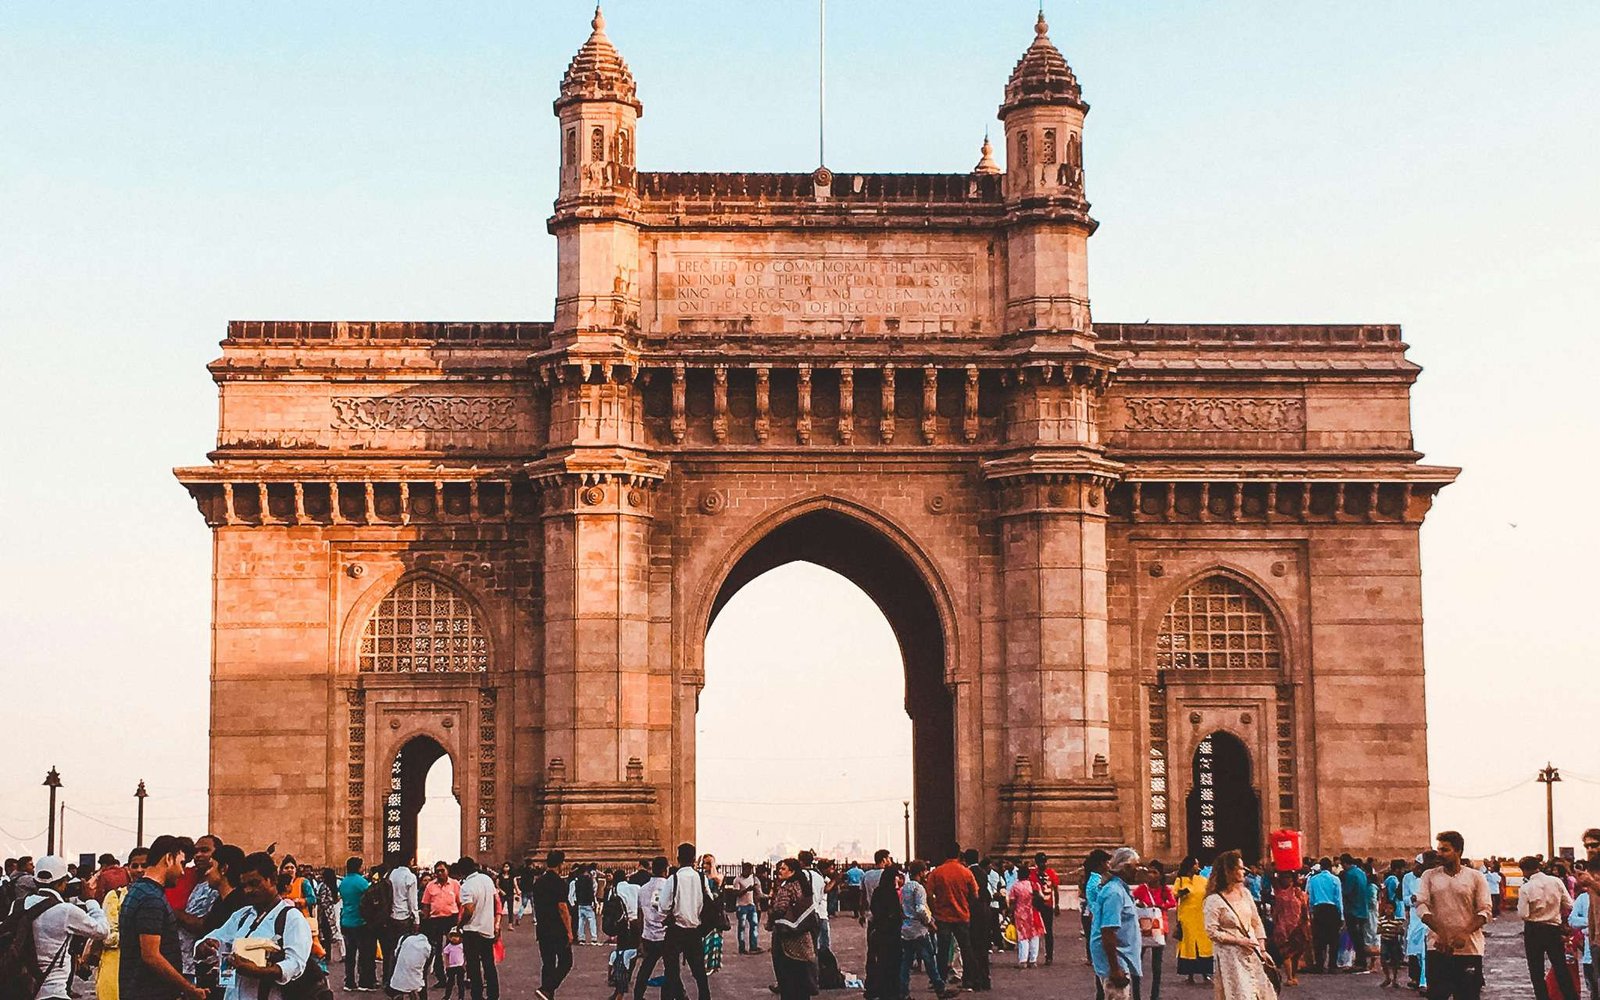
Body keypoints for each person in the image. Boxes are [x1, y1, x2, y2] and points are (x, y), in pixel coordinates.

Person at [194, 851, 311, 1000]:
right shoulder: (242, 916)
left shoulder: (291, 918)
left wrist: (259, 971)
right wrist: (205, 946)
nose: (248, 890)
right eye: (244, 886)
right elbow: (217, 937)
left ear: (272, 879)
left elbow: (295, 964)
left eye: (254, 884)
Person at [122, 835, 205, 1000]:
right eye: (181, 863)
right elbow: (151, 956)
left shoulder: (139, 891)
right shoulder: (151, 898)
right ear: (168, 858)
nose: (182, 872)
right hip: (150, 993)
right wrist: (188, 988)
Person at [1416, 830, 1491, 1000]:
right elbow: (1421, 906)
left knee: (1468, 996)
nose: (1440, 854)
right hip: (1438, 947)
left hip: (1469, 948)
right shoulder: (1429, 876)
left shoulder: (1475, 877)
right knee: (1436, 994)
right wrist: (1440, 931)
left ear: (1458, 852)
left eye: (1445, 850)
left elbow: (1484, 910)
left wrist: (1464, 933)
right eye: (1439, 849)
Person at [25, 854, 110, 1000]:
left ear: (35, 880)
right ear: (63, 883)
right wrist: (90, 901)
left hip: (24, 988)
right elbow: (102, 931)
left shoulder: (19, 904)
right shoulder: (66, 911)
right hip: (54, 993)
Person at [1203, 850, 1277, 1000]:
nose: (1244, 871)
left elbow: (1256, 922)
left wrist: (1262, 949)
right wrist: (1238, 941)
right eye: (1240, 868)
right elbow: (1211, 931)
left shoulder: (1245, 894)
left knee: (1260, 994)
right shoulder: (1213, 900)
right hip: (1230, 957)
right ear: (1229, 871)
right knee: (1241, 994)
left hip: (1252, 952)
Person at [1518, 855, 1579, 1000]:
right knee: (1560, 967)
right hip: (1553, 928)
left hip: (1534, 929)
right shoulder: (1556, 881)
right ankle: (1571, 996)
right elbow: (1569, 904)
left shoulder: (1526, 887)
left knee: (1536, 969)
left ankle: (1542, 997)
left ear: (1524, 871)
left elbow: (1523, 913)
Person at [926, 844, 985, 990]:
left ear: (945, 855)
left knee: (943, 951)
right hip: (962, 916)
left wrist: (934, 910)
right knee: (966, 949)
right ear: (958, 854)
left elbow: (928, 894)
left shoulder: (937, 872)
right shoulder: (966, 872)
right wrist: (965, 905)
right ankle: (969, 981)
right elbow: (975, 894)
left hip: (943, 916)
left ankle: (939, 981)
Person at [658, 842, 711, 1000]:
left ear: (678, 858)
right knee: (699, 973)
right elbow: (708, 900)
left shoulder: (673, 879)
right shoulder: (701, 878)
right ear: (694, 859)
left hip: (676, 930)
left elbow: (663, 906)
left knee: (671, 970)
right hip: (695, 930)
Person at [1090, 848, 1144, 1000]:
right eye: (1136, 866)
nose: (1138, 870)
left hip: (1121, 958)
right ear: (1126, 867)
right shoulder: (1115, 893)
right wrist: (1115, 969)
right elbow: (1107, 931)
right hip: (1116, 961)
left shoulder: (1119, 890)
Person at [98, 848, 149, 1000]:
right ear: (128, 868)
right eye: (135, 866)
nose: (139, 870)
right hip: (115, 965)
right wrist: (141, 938)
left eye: (144, 865)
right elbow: (107, 935)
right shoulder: (115, 896)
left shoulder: (159, 896)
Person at [900, 861, 954, 997]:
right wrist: (930, 923)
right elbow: (920, 909)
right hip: (919, 929)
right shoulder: (919, 888)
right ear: (921, 872)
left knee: (906, 963)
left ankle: (903, 992)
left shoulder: (905, 887)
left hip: (906, 928)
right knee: (929, 960)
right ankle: (940, 988)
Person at [767, 858, 818, 1000]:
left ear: (792, 871)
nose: (780, 871)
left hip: (787, 936)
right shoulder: (803, 885)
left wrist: (771, 912)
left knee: (788, 977)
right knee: (801, 975)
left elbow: (780, 908)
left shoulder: (787, 887)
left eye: (783, 869)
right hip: (803, 935)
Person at [452, 858, 499, 1000]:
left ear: (461, 871)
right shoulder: (487, 879)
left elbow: (469, 910)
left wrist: (459, 925)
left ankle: (477, 996)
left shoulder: (467, 886)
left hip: (472, 931)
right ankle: (493, 994)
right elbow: (494, 902)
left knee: (473, 967)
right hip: (487, 928)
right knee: (489, 964)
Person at [1132, 860, 1176, 1000]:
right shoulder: (1141, 889)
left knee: (1157, 966)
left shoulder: (1165, 890)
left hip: (1160, 928)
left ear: (1160, 875)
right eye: (1149, 872)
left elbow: (1172, 902)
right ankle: (1136, 995)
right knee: (1137, 962)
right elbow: (1131, 899)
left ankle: (1154, 995)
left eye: (1154, 872)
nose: (1150, 875)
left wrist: (1160, 905)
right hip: (1143, 928)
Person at [633, 857, 672, 1000]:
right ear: (665, 869)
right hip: (666, 935)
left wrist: (640, 939)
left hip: (649, 934)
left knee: (646, 967)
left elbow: (640, 915)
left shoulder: (643, 889)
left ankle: (638, 995)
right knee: (670, 969)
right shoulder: (670, 887)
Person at [863, 864, 903, 1000]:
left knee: (879, 962)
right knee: (892, 964)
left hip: (879, 931)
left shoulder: (878, 891)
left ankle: (877, 990)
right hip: (891, 933)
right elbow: (895, 913)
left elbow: (874, 909)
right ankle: (891, 992)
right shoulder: (891, 893)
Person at [1173, 855, 1214, 983]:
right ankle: (1189, 975)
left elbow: (1209, 893)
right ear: (1190, 866)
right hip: (1187, 917)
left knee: (1203, 945)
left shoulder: (1202, 880)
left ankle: (1205, 974)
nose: (1198, 866)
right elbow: (1175, 894)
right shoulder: (1180, 880)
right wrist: (1182, 892)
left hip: (1201, 916)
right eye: (1196, 864)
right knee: (1189, 946)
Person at [422, 862, 462, 985]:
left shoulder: (455, 884)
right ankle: (441, 977)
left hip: (451, 919)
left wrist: (460, 921)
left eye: (442, 870)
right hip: (435, 920)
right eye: (437, 871)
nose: (440, 873)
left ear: (447, 871)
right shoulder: (430, 886)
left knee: (454, 948)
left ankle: (453, 974)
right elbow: (426, 905)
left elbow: (460, 903)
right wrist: (425, 920)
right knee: (437, 949)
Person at [1269, 870, 1308, 987]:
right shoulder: (1279, 892)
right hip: (1283, 926)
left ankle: (1294, 976)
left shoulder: (1298, 893)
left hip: (1297, 926)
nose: (1288, 880)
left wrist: (1306, 923)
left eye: (1289, 877)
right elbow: (1271, 877)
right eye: (1285, 877)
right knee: (1286, 953)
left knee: (1296, 953)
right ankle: (1290, 977)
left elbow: (1305, 909)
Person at [1306, 857, 1343, 973]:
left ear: (1320, 867)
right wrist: (1341, 916)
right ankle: (1332, 965)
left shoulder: (1313, 880)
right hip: (1332, 909)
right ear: (1330, 867)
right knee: (1334, 939)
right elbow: (1338, 898)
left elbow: (1310, 897)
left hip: (1318, 909)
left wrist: (1311, 911)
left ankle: (1319, 964)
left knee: (1319, 939)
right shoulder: (1335, 879)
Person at [1005, 863, 1044, 970]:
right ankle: (1033, 960)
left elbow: (1012, 901)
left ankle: (1023, 960)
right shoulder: (1035, 885)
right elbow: (1041, 897)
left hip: (1021, 913)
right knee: (1034, 936)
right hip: (1034, 913)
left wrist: (1010, 913)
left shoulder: (1016, 886)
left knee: (1023, 937)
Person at [1339, 853, 1371, 972]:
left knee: (1355, 937)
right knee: (1360, 937)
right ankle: (1361, 961)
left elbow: (1347, 891)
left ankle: (1360, 962)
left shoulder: (1350, 874)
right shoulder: (1361, 873)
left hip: (1353, 910)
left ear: (1345, 863)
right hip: (1363, 909)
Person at [1080, 850, 1110, 967]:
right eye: (1107, 862)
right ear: (1101, 864)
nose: (1108, 865)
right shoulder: (1097, 881)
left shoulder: (1093, 879)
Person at [1031, 852, 1061, 966]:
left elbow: (1056, 889)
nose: (1042, 864)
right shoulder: (1032, 874)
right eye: (1040, 862)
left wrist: (1057, 905)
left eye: (1043, 862)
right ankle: (1033, 955)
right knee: (1035, 931)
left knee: (1048, 931)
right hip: (1036, 906)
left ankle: (1049, 956)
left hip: (1048, 905)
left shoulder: (1051, 873)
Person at [390, 923, 434, 1000]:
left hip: (396, 982)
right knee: (422, 980)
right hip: (416, 984)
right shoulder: (430, 947)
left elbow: (395, 954)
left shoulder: (404, 938)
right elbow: (428, 969)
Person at [699, 854, 724, 974]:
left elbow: (717, 883)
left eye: (707, 863)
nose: (704, 866)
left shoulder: (718, 876)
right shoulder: (701, 877)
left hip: (715, 909)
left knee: (715, 937)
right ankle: (706, 963)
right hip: (705, 909)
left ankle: (713, 964)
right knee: (705, 938)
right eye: (704, 863)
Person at [732, 862, 763, 955]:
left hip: (751, 904)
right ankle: (742, 947)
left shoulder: (753, 878)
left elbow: (758, 892)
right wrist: (746, 890)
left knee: (754, 925)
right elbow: (736, 894)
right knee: (742, 927)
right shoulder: (737, 880)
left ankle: (753, 946)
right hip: (741, 905)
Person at [440, 930, 467, 1000]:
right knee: (450, 983)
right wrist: (447, 964)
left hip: (460, 966)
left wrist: (464, 964)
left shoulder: (462, 945)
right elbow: (445, 954)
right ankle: (447, 996)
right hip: (451, 966)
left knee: (460, 983)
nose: (454, 938)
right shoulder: (449, 946)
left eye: (456, 936)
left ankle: (461, 997)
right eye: (452, 936)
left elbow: (465, 955)